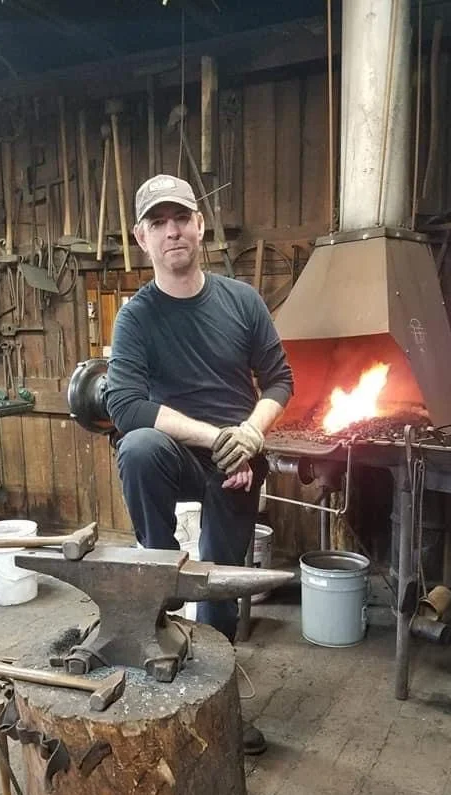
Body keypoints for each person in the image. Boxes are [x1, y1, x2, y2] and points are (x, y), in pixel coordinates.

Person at [106, 173, 294, 754]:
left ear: (200, 224)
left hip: (237, 462)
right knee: (137, 446)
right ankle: (158, 578)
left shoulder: (242, 301)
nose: (172, 232)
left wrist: (251, 435)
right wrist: (219, 437)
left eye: (180, 218)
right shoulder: (137, 317)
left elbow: (280, 380)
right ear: (142, 238)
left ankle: (217, 707)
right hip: (181, 456)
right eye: (158, 223)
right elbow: (125, 404)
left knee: (218, 583)